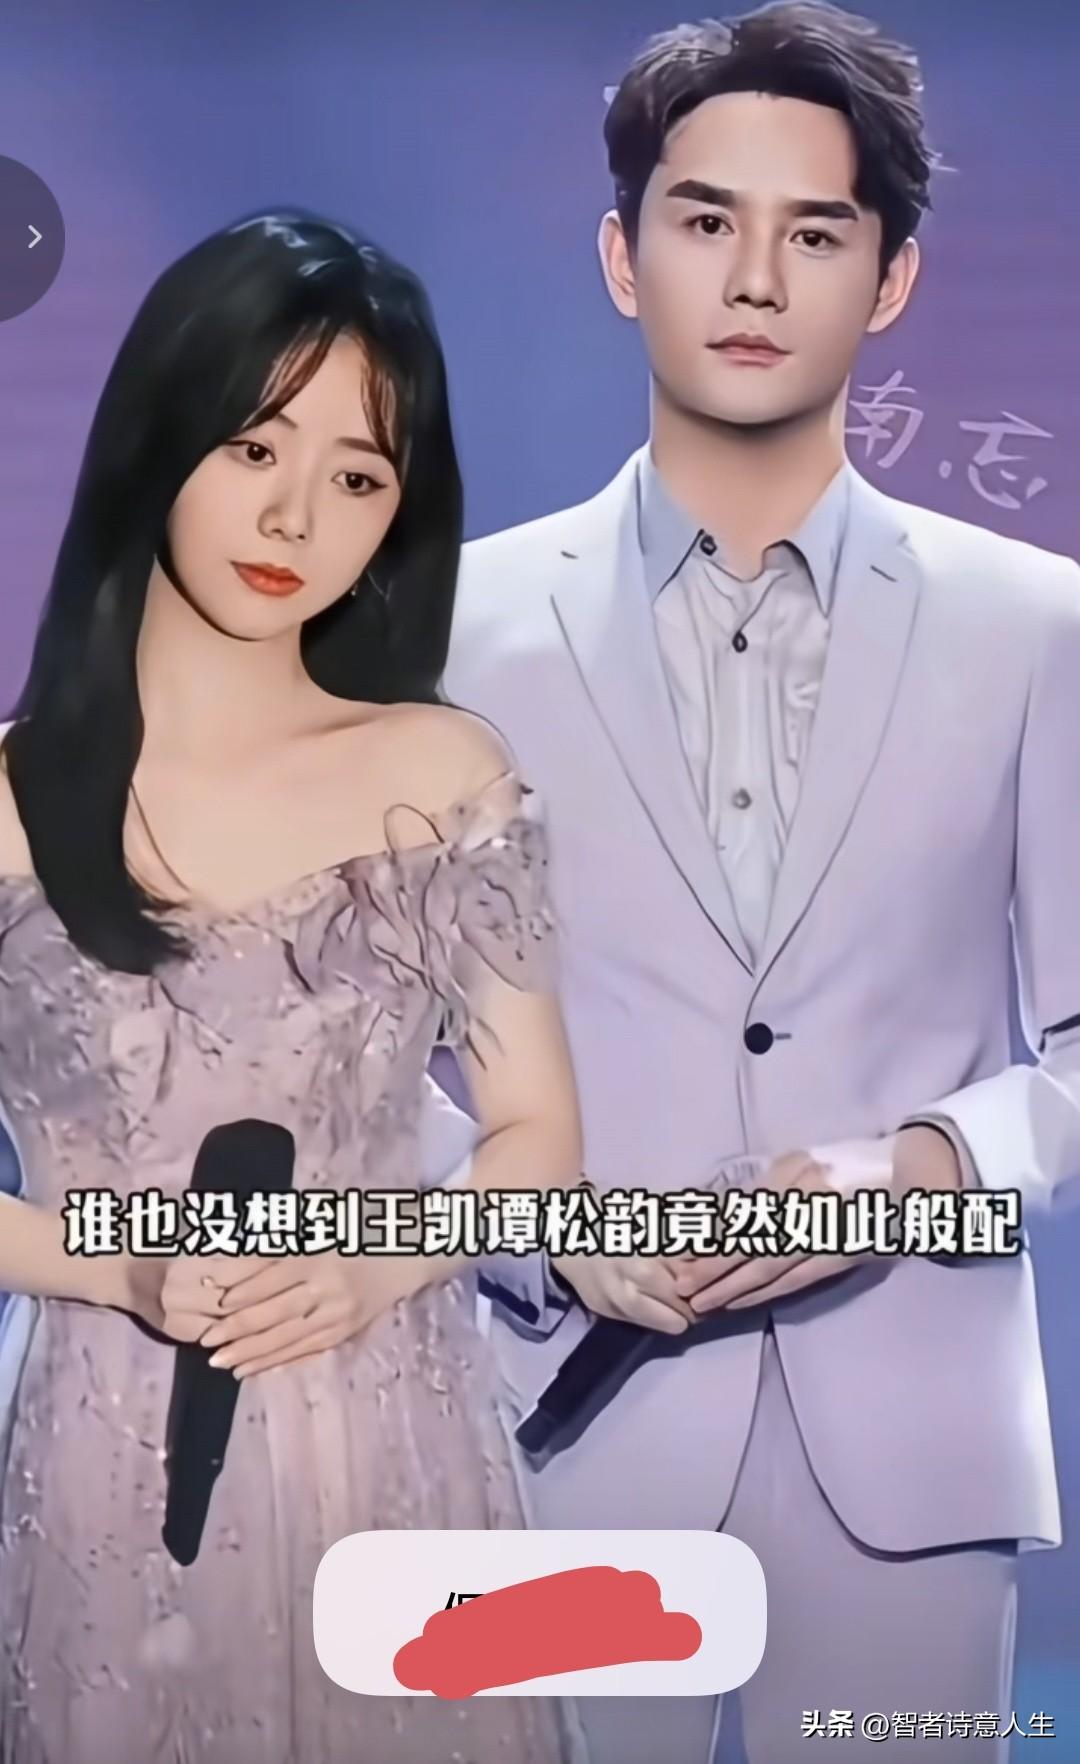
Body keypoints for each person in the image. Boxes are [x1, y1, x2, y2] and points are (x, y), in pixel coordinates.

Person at [443, 5, 1080, 1761]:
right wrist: (546, 1224)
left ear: (891, 282)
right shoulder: (447, 631)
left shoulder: (1039, 626)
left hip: (918, 1454)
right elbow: (353, 1057)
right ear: (621, 256)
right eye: (706, 218)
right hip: (556, 1432)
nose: (753, 278)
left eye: (816, 233)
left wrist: (914, 1167)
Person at [0, 210, 587, 1764]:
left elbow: (537, 1136)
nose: (295, 517)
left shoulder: (440, 775)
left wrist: (377, 1264)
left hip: (390, 1435)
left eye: (358, 478)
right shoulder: (7, 799)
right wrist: (112, 1273)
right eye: (256, 447)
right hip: (102, 1457)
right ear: (160, 433)